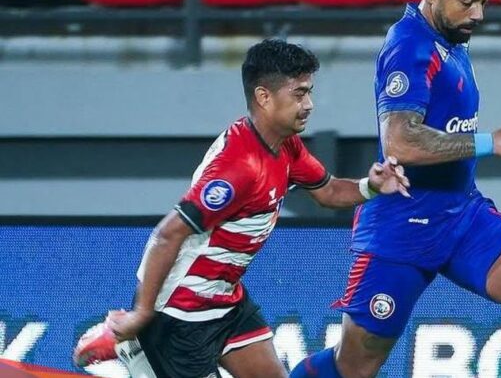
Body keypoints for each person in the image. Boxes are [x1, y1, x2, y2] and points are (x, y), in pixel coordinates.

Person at [291, 0, 501, 378]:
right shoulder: (409, 46)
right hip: (403, 223)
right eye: (467, 1)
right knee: (354, 366)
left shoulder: (452, 37)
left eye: (484, 2)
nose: (478, 14)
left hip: (462, 214)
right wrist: (489, 142)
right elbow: (401, 142)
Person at [73, 39, 410, 378]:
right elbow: (167, 234)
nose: (308, 104)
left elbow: (329, 191)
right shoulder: (238, 168)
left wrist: (372, 186)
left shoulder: (286, 146)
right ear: (264, 96)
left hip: (226, 301)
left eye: (309, 92)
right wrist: (142, 314)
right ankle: (134, 347)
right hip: (180, 313)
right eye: (299, 94)